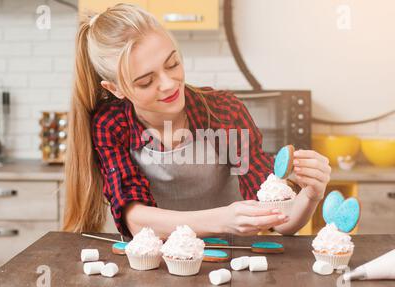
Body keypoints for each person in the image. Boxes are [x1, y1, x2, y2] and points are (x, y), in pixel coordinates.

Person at [63, 3, 331, 239]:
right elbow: (136, 220)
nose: (169, 84)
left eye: (172, 64)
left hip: (234, 259)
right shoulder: (111, 125)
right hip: (157, 265)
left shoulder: (222, 110)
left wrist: (309, 196)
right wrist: (224, 220)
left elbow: (278, 219)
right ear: (115, 89)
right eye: (146, 81)